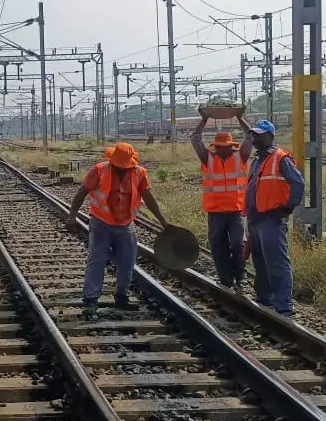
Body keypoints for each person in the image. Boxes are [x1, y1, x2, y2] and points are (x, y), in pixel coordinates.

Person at [67, 141, 170, 320]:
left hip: (125, 225)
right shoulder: (99, 170)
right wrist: (72, 216)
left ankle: (122, 297)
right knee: (96, 260)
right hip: (101, 222)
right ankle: (91, 300)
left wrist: (163, 222)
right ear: (112, 160)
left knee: (127, 261)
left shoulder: (140, 173)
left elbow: (148, 197)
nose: (122, 169)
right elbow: (81, 192)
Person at [244, 120, 305, 316]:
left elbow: (298, 184)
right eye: (253, 135)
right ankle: (264, 298)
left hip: (271, 218)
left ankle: (283, 306)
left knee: (277, 263)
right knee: (260, 262)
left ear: (270, 136)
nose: (255, 139)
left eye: (259, 135)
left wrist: (287, 207)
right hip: (256, 218)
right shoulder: (257, 160)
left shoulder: (280, 158)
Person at [191, 110, 254, 292]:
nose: (222, 149)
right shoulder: (207, 158)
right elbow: (195, 138)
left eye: (225, 146)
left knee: (237, 244)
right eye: (219, 146)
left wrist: (240, 117)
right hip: (216, 212)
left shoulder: (240, 157)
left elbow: (250, 136)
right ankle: (226, 280)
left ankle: (240, 276)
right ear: (216, 147)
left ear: (231, 147)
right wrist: (204, 119)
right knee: (218, 247)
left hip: (236, 212)